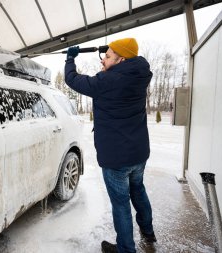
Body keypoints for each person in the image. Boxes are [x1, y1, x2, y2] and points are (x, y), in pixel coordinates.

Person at [64, 38, 156, 253]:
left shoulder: (106, 81)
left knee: (121, 203)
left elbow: (72, 79)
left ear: (121, 60)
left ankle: (125, 249)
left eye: (107, 57)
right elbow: (118, 65)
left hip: (116, 158)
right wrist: (109, 53)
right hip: (138, 153)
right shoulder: (140, 75)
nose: (102, 61)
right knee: (138, 191)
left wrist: (70, 58)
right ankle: (148, 231)